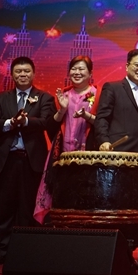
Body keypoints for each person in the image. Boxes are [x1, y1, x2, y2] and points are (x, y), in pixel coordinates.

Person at [0, 57, 56, 266]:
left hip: (31, 161)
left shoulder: (44, 97)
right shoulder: (1, 98)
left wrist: (25, 121)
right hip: (6, 161)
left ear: (33, 73)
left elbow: (45, 122)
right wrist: (10, 123)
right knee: (4, 208)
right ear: (12, 74)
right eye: (18, 71)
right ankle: (2, 252)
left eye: (26, 71)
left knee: (27, 209)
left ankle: (26, 253)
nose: (22, 75)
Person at [33, 56, 97, 224]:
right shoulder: (63, 94)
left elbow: (105, 124)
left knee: (85, 201)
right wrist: (62, 109)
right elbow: (50, 126)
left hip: (89, 157)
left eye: (81, 69)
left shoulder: (98, 95)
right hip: (62, 157)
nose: (77, 72)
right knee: (62, 200)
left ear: (90, 73)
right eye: (74, 69)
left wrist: (87, 116)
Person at [94, 49, 138, 154]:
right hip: (117, 151)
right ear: (127, 66)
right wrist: (104, 141)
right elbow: (102, 118)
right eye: (137, 65)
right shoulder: (112, 88)